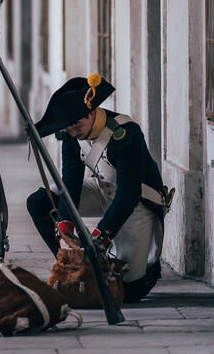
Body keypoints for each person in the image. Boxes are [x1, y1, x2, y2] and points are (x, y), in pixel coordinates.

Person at [26, 73, 170, 303]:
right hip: (103, 190)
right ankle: (74, 266)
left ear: (91, 112)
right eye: (68, 128)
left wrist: (99, 237)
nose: (73, 132)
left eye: (76, 125)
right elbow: (70, 182)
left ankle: (149, 272)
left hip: (136, 202)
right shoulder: (72, 133)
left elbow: (129, 193)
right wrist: (65, 230)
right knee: (39, 202)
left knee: (128, 293)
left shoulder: (127, 133)